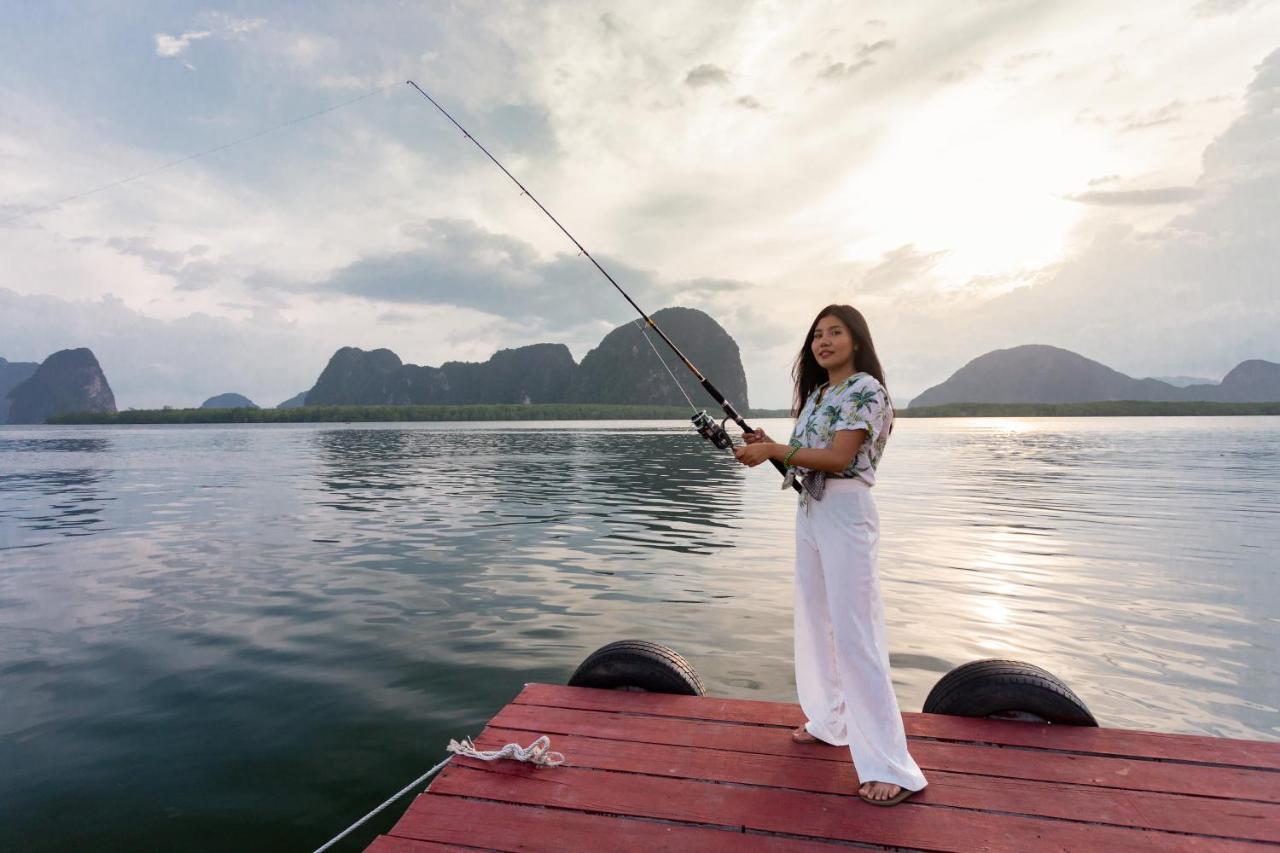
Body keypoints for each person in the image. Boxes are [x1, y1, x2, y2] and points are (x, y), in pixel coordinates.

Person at [732, 304, 927, 806]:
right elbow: (803, 461)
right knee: (816, 620)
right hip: (812, 509)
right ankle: (831, 720)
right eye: (817, 334)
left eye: (835, 332)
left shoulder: (866, 390)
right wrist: (770, 447)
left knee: (856, 633)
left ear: (856, 340)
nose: (824, 341)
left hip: (845, 512)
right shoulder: (820, 394)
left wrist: (777, 451)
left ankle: (890, 764)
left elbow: (840, 458)